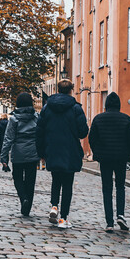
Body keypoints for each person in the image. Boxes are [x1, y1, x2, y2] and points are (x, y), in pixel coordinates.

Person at [36, 79, 88, 228]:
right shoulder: (76, 108)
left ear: (57, 89)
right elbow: (83, 132)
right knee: (67, 185)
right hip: (70, 150)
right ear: (71, 90)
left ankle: (54, 206)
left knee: (56, 180)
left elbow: (39, 130)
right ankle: (63, 218)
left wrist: (41, 151)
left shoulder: (47, 108)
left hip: (52, 148)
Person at [88, 92, 130, 232]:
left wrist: (97, 152)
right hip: (120, 158)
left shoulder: (98, 119)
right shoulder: (126, 119)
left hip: (105, 158)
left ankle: (109, 222)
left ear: (106, 105)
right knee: (120, 187)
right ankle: (120, 214)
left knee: (107, 189)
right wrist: (128, 154)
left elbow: (92, 138)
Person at [0, 92, 39, 216]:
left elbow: (8, 139)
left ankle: (24, 199)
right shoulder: (36, 117)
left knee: (17, 178)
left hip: (18, 153)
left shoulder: (14, 119)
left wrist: (4, 156)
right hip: (33, 152)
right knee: (30, 180)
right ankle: (27, 208)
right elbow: (41, 135)